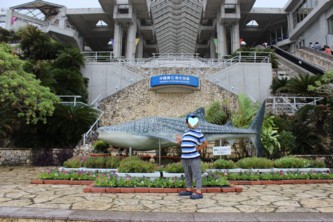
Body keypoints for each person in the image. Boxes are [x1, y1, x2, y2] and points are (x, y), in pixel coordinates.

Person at [176, 113, 208, 200]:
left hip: (194, 158)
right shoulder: (185, 133)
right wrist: (179, 142)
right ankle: (188, 189)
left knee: (197, 174)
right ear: (187, 123)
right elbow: (184, 144)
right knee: (187, 174)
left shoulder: (198, 132)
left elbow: (205, 143)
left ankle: (198, 192)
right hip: (185, 158)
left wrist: (197, 149)